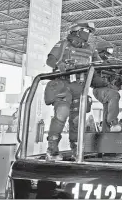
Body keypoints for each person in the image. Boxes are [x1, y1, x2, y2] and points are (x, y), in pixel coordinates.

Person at [43, 20, 100, 161]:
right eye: (86, 31)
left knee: (77, 119)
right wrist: (59, 64)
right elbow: (50, 60)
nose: (88, 35)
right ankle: (52, 149)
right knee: (61, 113)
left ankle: (76, 148)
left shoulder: (91, 49)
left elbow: (99, 64)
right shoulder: (63, 44)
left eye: (89, 33)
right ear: (76, 30)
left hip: (80, 86)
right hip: (63, 83)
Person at [91, 41, 122, 132]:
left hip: (107, 89)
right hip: (98, 89)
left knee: (107, 109)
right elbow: (94, 80)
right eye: (106, 53)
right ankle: (113, 121)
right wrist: (108, 83)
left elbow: (114, 79)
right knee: (114, 95)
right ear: (100, 52)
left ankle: (106, 132)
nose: (108, 55)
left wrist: (118, 80)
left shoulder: (108, 63)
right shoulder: (94, 62)